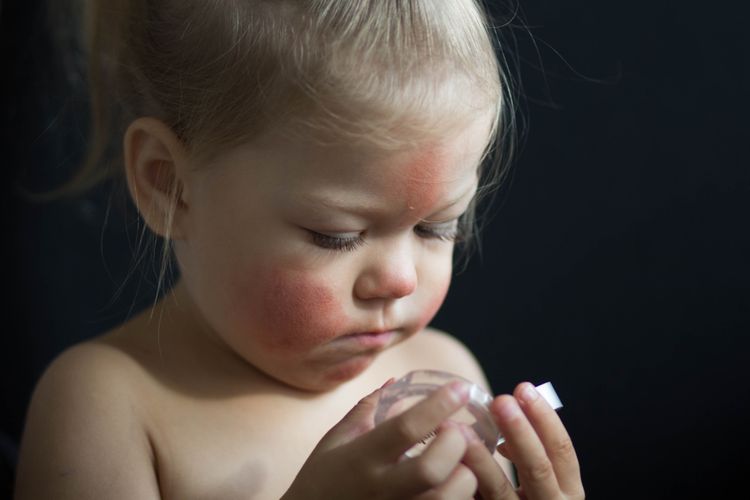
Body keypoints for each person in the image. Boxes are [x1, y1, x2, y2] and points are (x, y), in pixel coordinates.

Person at [14, 1, 584, 498]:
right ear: (170, 185)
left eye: (437, 227)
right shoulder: (107, 407)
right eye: (335, 235)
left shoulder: (445, 376)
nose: (401, 280)